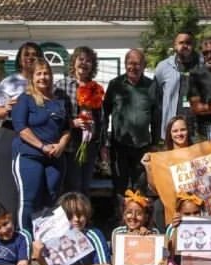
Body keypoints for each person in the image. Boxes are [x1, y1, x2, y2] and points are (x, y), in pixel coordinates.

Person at [11, 59, 71, 232]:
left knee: (52, 197)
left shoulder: (59, 101)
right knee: (29, 198)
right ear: (32, 77)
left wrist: (61, 145)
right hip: (29, 155)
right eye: (39, 74)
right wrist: (42, 147)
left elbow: (66, 128)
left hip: (55, 158)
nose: (43, 77)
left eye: (46, 73)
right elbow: (21, 129)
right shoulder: (25, 99)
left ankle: (46, 238)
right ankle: (26, 239)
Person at [101, 49, 160, 207]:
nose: (133, 67)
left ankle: (139, 217)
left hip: (142, 145)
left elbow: (156, 117)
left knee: (140, 184)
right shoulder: (115, 85)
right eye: (130, 63)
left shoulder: (151, 86)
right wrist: (104, 142)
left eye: (137, 64)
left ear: (143, 66)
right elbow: (104, 114)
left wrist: (155, 143)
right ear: (125, 64)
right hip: (119, 144)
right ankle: (121, 217)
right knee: (120, 184)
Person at [0, 41, 42, 223]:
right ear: (20, 60)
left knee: (32, 184)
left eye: (34, 54)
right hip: (11, 133)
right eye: (26, 54)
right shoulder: (9, 82)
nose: (30, 58)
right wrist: (7, 108)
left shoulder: (43, 80)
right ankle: (7, 226)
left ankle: (31, 227)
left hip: (35, 135)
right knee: (8, 185)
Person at [54, 46, 104, 195]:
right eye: (80, 59)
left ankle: (84, 218)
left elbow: (101, 118)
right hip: (70, 144)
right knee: (72, 186)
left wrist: (101, 143)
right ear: (74, 62)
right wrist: (73, 122)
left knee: (85, 185)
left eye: (88, 61)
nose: (84, 63)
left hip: (89, 145)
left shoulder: (96, 88)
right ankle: (71, 217)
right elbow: (55, 117)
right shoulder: (61, 86)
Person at [141, 115, 194, 231]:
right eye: (175, 131)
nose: (179, 134)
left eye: (182, 130)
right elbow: (155, 189)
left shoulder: (198, 151)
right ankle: (165, 239)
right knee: (159, 205)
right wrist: (148, 167)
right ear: (170, 134)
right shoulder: (162, 158)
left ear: (188, 131)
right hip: (172, 201)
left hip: (195, 199)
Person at [154, 30, 200, 140]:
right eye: (181, 43)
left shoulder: (202, 65)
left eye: (188, 43)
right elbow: (156, 101)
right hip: (173, 132)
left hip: (197, 131)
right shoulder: (163, 67)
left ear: (193, 45)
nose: (184, 46)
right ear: (175, 45)